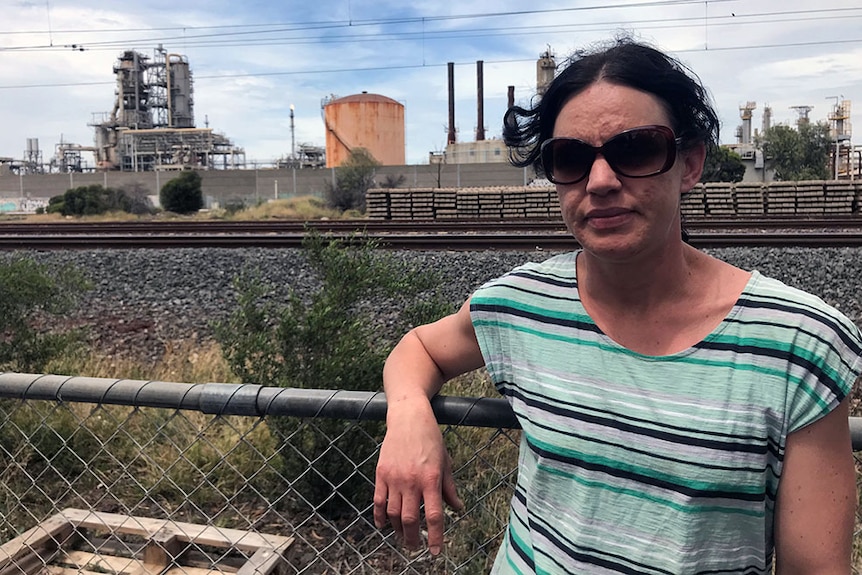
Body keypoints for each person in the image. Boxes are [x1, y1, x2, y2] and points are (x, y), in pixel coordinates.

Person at [373, 37, 862, 574]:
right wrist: (408, 416)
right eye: (571, 158)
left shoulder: (796, 341)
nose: (600, 181)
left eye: (636, 150)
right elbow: (420, 347)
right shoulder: (522, 304)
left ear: (690, 163)